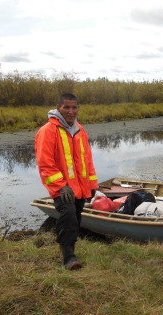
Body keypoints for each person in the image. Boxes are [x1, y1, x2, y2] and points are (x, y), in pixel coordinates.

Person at [35, 93, 98, 270]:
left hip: (80, 187)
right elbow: (45, 163)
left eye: (74, 107)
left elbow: (87, 161)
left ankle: (71, 248)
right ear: (58, 107)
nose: (70, 111)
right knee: (68, 215)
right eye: (66, 107)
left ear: (78, 108)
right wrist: (61, 186)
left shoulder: (80, 130)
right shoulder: (47, 131)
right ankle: (68, 257)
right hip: (62, 189)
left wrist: (92, 185)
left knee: (76, 217)